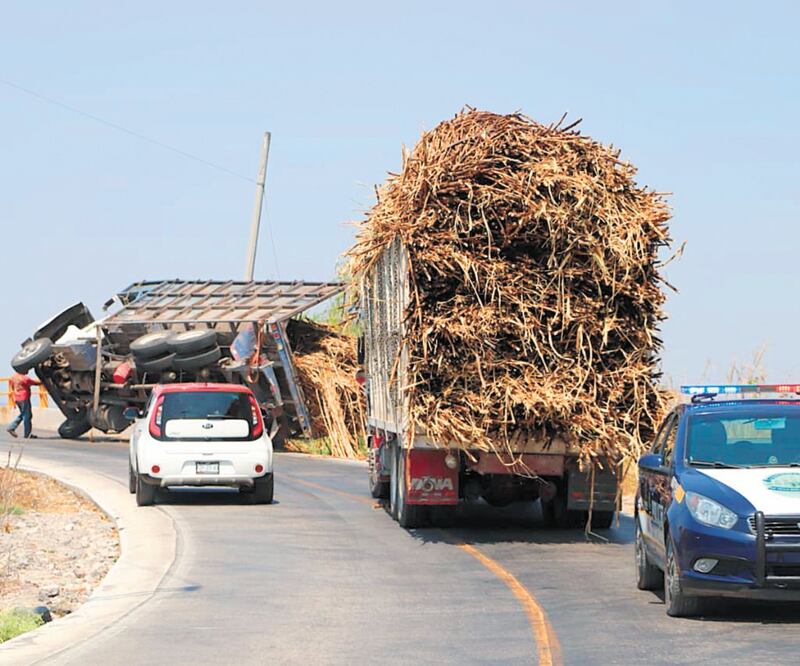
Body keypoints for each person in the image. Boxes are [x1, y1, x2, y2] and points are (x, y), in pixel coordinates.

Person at [6, 370, 41, 439]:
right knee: (27, 416)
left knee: (24, 414)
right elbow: (35, 383)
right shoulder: (25, 378)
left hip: (17, 398)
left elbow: (12, 387)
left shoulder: (13, 377)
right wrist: (44, 381)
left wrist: (13, 400)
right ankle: (25, 433)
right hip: (24, 398)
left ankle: (14, 428)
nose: (27, 371)